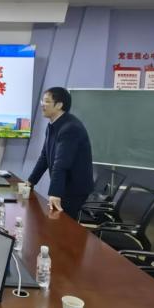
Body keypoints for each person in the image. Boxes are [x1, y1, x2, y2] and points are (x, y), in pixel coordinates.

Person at [25, 87, 94, 219]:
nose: (42, 105)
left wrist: (55, 193)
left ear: (59, 105)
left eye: (47, 101)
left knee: (61, 224)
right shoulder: (53, 125)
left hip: (74, 188)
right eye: (42, 101)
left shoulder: (70, 128)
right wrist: (30, 182)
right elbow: (44, 157)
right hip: (65, 185)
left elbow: (61, 164)